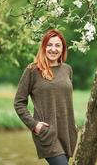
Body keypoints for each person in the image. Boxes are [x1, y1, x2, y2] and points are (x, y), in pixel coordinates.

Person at [14, 29, 78, 165]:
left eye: (57, 45)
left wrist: (73, 125)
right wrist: (34, 125)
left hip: (67, 132)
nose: (53, 49)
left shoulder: (67, 70)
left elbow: (65, 99)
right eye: (49, 45)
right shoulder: (32, 70)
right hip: (47, 133)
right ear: (43, 47)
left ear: (63, 49)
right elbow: (19, 102)